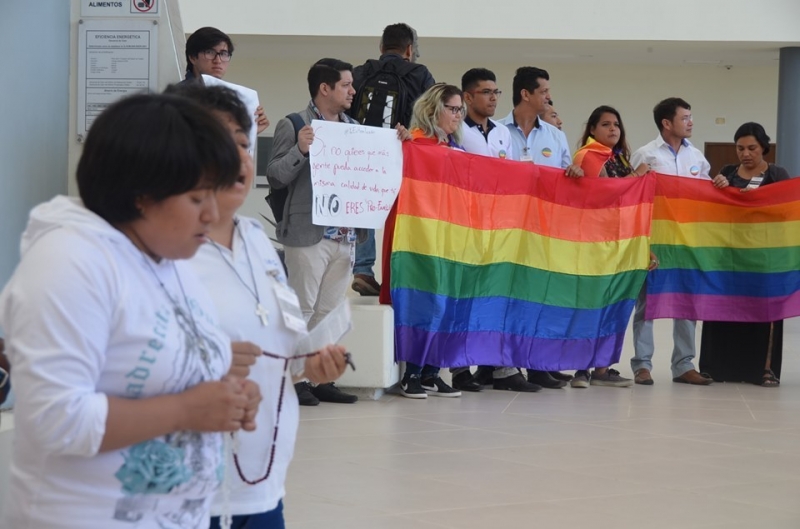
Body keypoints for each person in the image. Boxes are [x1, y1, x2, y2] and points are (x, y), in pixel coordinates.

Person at [0, 93, 262, 528]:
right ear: (142, 195)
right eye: (197, 198)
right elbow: (55, 418)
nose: (212, 213)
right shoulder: (70, 262)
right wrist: (187, 410)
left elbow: (175, 372)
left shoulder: (167, 259)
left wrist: (229, 399)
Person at [168, 83, 350, 529]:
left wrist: (310, 363)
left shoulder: (254, 238)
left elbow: (280, 339)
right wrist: (207, 360)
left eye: (245, 144)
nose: (239, 160)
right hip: (186, 492)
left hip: (263, 481)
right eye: (219, 143)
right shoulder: (163, 252)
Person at [266, 58, 362, 406]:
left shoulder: (355, 127)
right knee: (302, 310)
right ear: (325, 88)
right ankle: (294, 379)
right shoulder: (294, 124)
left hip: (346, 234)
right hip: (308, 232)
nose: (353, 91)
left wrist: (393, 143)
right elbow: (275, 175)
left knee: (330, 312)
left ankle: (320, 377)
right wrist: (300, 149)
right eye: (346, 85)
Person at [451, 68, 545, 393]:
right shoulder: (455, 132)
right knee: (464, 297)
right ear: (467, 97)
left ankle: (502, 368)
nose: (492, 98)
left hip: (501, 226)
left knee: (499, 296)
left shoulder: (503, 133)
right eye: (485, 92)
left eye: (496, 92)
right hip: (466, 227)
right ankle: (460, 368)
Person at [500, 67, 582, 389]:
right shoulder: (498, 132)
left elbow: (565, 177)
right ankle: (504, 367)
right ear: (526, 94)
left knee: (539, 299)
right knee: (508, 299)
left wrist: (573, 172)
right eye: (544, 91)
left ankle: (535, 364)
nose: (549, 96)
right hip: (507, 230)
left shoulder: (555, 136)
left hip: (544, 231)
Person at [569, 105, 657, 388]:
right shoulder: (588, 156)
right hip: (595, 243)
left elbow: (633, 208)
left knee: (614, 306)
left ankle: (602, 369)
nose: (613, 129)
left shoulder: (619, 158)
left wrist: (643, 246)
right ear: (592, 130)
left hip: (621, 243)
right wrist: (638, 177)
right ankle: (581, 369)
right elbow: (606, 197)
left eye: (616, 124)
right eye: (606, 124)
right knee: (591, 305)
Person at [630, 97, 712, 386]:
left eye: (690, 117)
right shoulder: (645, 155)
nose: (690, 122)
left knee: (688, 304)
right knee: (647, 305)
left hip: (688, 241)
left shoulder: (698, 157)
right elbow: (634, 200)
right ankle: (642, 365)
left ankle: (683, 365)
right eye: (684, 117)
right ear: (667, 123)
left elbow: (707, 198)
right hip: (655, 241)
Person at [701, 122, 790, 387]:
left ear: (763, 147)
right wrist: (717, 188)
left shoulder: (777, 174)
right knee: (723, 308)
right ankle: (715, 366)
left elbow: (787, 210)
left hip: (765, 256)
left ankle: (764, 369)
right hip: (729, 254)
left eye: (751, 148)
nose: (745, 153)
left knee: (765, 310)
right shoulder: (727, 172)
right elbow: (713, 208)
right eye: (740, 148)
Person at [349, 23, 436, 296]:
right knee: (400, 211)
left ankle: (363, 269)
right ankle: (396, 273)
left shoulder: (360, 72)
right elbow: (431, 113)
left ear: (381, 47)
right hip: (401, 152)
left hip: (359, 151)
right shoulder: (419, 74)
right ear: (409, 49)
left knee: (363, 204)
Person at [395, 83, 467, 399]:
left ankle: (431, 371)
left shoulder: (457, 151)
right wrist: (400, 143)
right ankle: (411, 373)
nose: (458, 115)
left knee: (447, 303)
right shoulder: (413, 143)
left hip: (452, 239)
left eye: (460, 109)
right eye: (452, 108)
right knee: (421, 301)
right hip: (419, 237)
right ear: (433, 109)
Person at [182, 26, 269, 133]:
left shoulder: (227, 97)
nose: (218, 60)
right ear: (193, 57)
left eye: (223, 54)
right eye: (210, 52)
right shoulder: (180, 96)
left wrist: (249, 131)